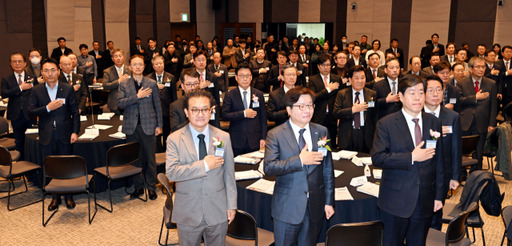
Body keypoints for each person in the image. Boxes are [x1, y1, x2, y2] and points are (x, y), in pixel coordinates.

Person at [371, 74, 444, 246]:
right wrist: (411, 157)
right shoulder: (386, 123)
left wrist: (439, 196)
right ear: (401, 97)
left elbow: (440, 162)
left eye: (421, 92)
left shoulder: (434, 122)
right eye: (412, 93)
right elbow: (378, 158)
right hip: (395, 200)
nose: (418, 97)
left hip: (425, 200)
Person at [264, 86, 335, 245]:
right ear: (289, 110)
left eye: (310, 105)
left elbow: (327, 169)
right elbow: (269, 167)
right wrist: (300, 160)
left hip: (314, 207)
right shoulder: (275, 134)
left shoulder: (321, 131)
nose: (307, 110)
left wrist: (329, 201)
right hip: (287, 208)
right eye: (301, 106)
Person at [166, 89, 237, 246]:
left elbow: (229, 175)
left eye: (205, 109)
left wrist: (231, 205)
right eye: (195, 110)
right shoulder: (174, 139)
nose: (200, 114)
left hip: (218, 208)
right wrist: (204, 165)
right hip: (188, 210)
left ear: (211, 111)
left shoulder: (223, 137)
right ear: (186, 112)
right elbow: (172, 173)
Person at [28, 58, 80, 211]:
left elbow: (74, 113)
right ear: (42, 73)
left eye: (53, 70)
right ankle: (55, 197)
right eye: (46, 70)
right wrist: (47, 108)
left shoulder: (67, 88)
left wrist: (75, 131)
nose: (50, 73)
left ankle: (69, 196)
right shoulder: (36, 90)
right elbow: (30, 112)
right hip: (47, 135)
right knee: (51, 167)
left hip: (65, 133)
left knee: (66, 166)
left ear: (58, 71)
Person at [117, 54, 163, 200]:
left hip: (149, 125)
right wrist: (137, 96)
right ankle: (138, 187)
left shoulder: (151, 83)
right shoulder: (124, 84)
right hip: (131, 127)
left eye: (140, 64)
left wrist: (159, 125)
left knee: (150, 158)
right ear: (130, 67)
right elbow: (120, 104)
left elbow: (158, 106)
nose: (137, 67)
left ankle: (151, 187)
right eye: (134, 64)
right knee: (135, 159)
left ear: (144, 66)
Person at [423, 76, 461, 230]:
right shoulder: (416, 115)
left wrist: (455, 176)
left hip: (442, 174)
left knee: (436, 215)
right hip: (419, 173)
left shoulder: (452, 117)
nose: (435, 94)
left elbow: (456, 149)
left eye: (439, 90)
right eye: (430, 90)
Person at [457, 57, 497, 174]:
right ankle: (462, 174)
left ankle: (476, 177)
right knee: (461, 150)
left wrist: (492, 124)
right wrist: (475, 98)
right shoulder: (462, 82)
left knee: (478, 152)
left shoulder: (491, 83)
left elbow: (493, 105)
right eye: (478, 67)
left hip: (482, 122)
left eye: (483, 67)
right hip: (465, 121)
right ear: (470, 68)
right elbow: (459, 101)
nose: (481, 69)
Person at [222, 64, 267, 156]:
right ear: (236, 78)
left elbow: (263, 118)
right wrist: (243, 114)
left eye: (247, 76)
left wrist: (263, 137)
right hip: (237, 139)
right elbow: (225, 115)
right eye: (242, 76)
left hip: (255, 138)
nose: (245, 79)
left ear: (251, 77)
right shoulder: (230, 95)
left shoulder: (258, 94)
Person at [1, 53, 38, 160]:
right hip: (16, 115)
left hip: (30, 113)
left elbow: (37, 93)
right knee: (19, 141)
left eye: (20, 61)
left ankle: (32, 162)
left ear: (25, 63)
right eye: (14, 61)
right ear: (11, 64)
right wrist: (20, 88)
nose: (17, 64)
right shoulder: (6, 79)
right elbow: (4, 93)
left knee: (32, 140)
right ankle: (22, 165)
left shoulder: (32, 77)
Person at [333, 65, 376, 152]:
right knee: (346, 164)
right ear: (350, 79)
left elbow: (375, 115)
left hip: (365, 135)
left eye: (362, 78)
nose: (360, 81)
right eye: (356, 78)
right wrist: (352, 110)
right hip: (348, 134)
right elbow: (335, 113)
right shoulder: (342, 94)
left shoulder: (372, 94)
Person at [308, 53, 343, 145]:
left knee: (332, 145)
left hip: (333, 116)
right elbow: (313, 97)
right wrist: (328, 89)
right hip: (319, 116)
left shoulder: (337, 78)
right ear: (318, 66)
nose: (326, 67)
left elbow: (341, 97)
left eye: (328, 65)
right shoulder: (313, 79)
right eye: (323, 65)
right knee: (319, 144)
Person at [146, 55, 177, 152]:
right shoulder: (148, 78)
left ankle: (166, 151)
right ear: (153, 65)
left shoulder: (170, 77)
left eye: (161, 63)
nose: (159, 65)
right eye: (156, 64)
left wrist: (173, 111)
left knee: (167, 132)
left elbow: (174, 95)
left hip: (166, 109)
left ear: (164, 64)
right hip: (153, 111)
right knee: (156, 134)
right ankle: (158, 151)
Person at [103, 49, 130, 115]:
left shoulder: (130, 69)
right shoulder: (108, 71)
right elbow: (105, 85)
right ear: (112, 59)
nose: (118, 58)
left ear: (123, 57)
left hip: (129, 102)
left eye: (120, 56)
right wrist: (118, 81)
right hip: (114, 103)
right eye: (116, 56)